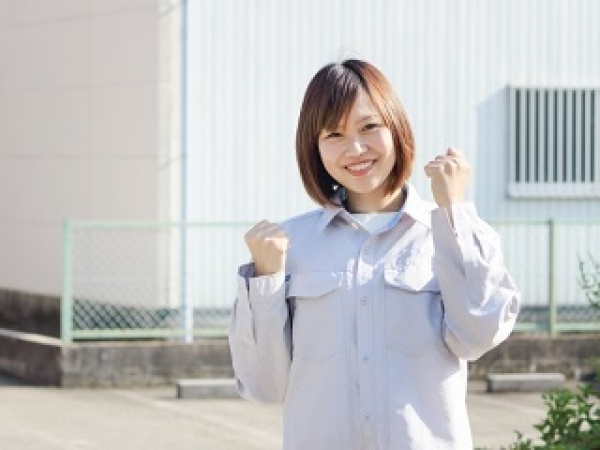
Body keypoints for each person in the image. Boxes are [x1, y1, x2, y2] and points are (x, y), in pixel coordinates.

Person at [228, 59, 520, 449]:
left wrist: (454, 210)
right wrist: (266, 282)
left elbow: (478, 336)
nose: (356, 148)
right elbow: (265, 385)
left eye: (369, 127)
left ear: (396, 128)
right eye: (334, 134)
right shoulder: (290, 245)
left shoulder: (448, 232)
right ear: (314, 147)